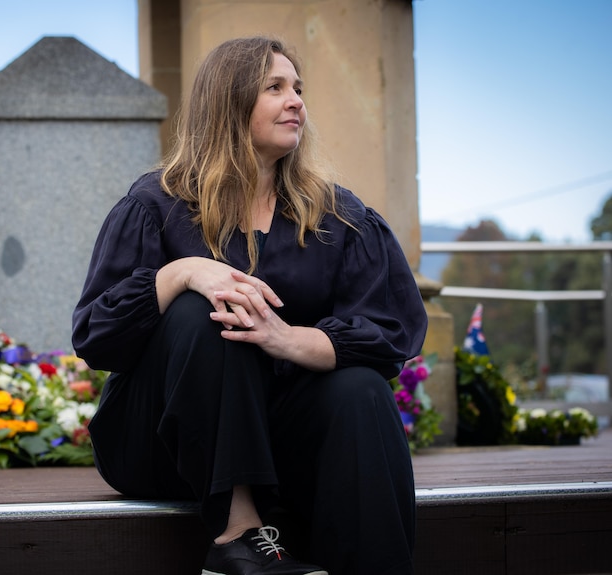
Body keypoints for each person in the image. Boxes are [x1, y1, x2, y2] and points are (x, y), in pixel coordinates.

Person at [72, 36, 428, 575]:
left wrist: (285, 338)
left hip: (280, 437)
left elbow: (388, 334)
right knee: (205, 309)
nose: (297, 102)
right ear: (230, 102)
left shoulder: (338, 217)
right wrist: (183, 273)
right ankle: (236, 536)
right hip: (160, 440)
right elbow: (97, 335)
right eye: (275, 88)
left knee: (361, 389)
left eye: (299, 89)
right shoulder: (156, 203)